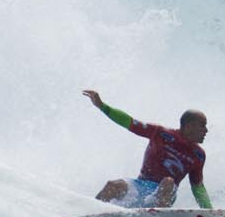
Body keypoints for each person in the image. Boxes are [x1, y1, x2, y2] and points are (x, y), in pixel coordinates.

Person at [82, 89, 213, 209]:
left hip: (164, 194)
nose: (206, 130)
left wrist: (210, 213)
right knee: (113, 185)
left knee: (168, 182)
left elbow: (198, 187)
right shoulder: (160, 133)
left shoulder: (198, 155)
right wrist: (102, 106)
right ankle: (87, 214)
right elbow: (129, 122)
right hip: (140, 186)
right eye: (202, 126)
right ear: (189, 126)